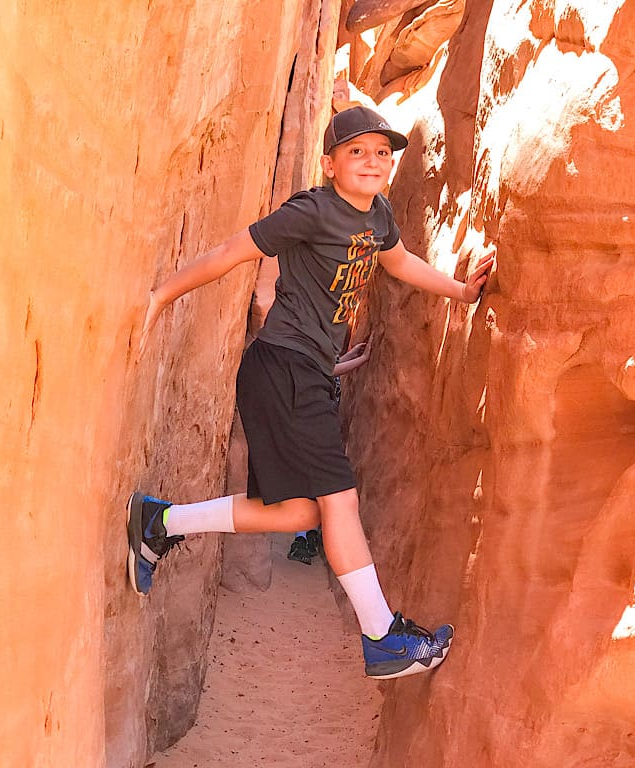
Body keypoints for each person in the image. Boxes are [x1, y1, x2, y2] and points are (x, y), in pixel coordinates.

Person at [129, 105, 494, 680]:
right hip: (283, 366)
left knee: (300, 512)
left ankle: (162, 523)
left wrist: (460, 293)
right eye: (356, 152)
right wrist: (159, 297)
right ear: (330, 164)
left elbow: (399, 264)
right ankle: (382, 638)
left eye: (381, 152)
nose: (371, 161)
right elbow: (231, 253)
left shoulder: (378, 218)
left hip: (311, 375)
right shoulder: (311, 211)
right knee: (340, 501)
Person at [287, 340, 370, 565]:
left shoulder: (320, 348)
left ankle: (308, 534)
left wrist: (351, 355)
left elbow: (330, 367)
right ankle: (301, 539)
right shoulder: (309, 347)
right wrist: (360, 361)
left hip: (318, 426)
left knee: (316, 486)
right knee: (309, 484)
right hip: (309, 427)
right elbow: (327, 370)